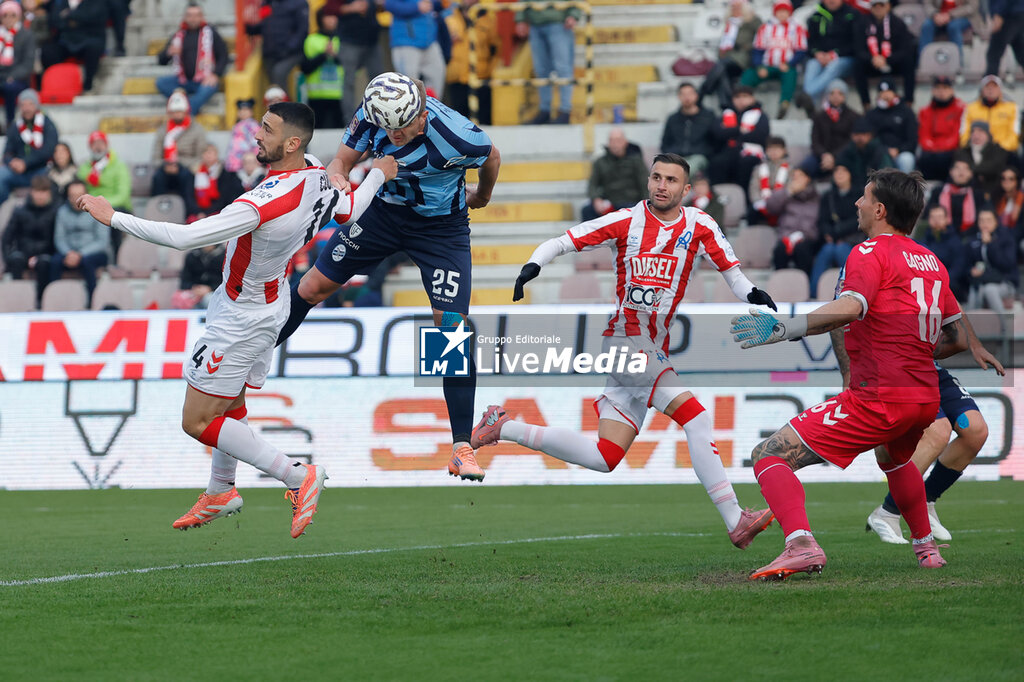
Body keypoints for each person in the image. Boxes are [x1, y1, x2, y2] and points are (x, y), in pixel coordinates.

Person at [77, 101, 398, 537]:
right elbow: (349, 209)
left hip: (242, 316)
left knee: (197, 421)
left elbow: (186, 237)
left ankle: (296, 474)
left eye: (265, 130)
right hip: (269, 302)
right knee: (231, 404)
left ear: (291, 142)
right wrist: (378, 173)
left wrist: (112, 216)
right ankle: (220, 490)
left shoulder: (263, 201)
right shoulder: (316, 174)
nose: (255, 135)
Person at [474, 152, 779, 550]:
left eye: (671, 180)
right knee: (698, 420)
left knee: (606, 456)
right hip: (625, 340)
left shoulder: (700, 226)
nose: (661, 185)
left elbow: (734, 276)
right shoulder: (627, 220)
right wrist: (533, 265)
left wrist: (753, 295)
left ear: (686, 190)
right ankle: (736, 519)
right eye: (656, 177)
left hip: (653, 347)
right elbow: (566, 240)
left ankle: (503, 426)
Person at [731, 168, 966, 580]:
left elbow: (851, 308)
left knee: (769, 454)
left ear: (879, 209)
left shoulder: (869, 252)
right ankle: (927, 549)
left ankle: (801, 544)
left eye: (863, 197)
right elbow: (958, 336)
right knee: (895, 459)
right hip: (925, 397)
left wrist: (785, 327)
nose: (856, 203)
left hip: (881, 397)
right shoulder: (933, 262)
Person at [275, 73, 502, 483]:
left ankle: (461, 445)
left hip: (441, 229)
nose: (395, 135)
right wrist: (341, 178)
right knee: (312, 286)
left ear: (422, 113)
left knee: (449, 329)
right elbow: (340, 161)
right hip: (381, 215)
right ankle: (247, 355)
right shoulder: (372, 114)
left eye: (403, 127)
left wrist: (482, 197)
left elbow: (492, 156)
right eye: (388, 128)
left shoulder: (458, 136)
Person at [866, 356, 1002, 544]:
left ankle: (927, 500)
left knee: (975, 431)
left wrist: (975, 345)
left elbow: (958, 336)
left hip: (932, 369)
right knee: (938, 432)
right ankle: (888, 511)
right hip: (903, 370)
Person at [156, 2, 229, 116]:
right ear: (185, 17)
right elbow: (161, 61)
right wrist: (168, 53)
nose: (193, 18)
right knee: (161, 83)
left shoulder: (211, 33)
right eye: (190, 15)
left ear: (202, 16)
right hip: (182, 81)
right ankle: (189, 106)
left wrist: (215, 74)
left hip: (203, 81)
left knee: (209, 87)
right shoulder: (178, 35)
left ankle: (185, 111)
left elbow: (224, 56)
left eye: (196, 15)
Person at [740, 0, 808, 118]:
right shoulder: (765, 27)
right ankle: (741, 99)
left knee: (790, 76)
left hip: (786, 66)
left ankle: (784, 104)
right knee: (749, 75)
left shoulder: (796, 27)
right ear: (775, 12)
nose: (782, 14)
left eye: (785, 11)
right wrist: (759, 66)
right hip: (767, 66)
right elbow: (758, 50)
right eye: (780, 11)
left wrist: (790, 63)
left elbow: (801, 50)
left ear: (789, 13)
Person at [516, 1, 580, 124]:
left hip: (559, 22)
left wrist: (574, 14)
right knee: (541, 69)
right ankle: (545, 111)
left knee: (563, 68)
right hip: (536, 24)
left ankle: (565, 111)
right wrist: (521, 18)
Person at [50, 179, 110, 307]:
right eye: (72, 196)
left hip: (93, 252)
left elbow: (102, 241)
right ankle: (53, 301)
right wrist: (69, 253)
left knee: (88, 262)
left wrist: (80, 254)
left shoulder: (98, 211)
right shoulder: (62, 212)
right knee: (54, 262)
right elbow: (59, 238)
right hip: (69, 252)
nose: (75, 199)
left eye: (78, 195)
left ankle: (92, 302)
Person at [323, 0, 385, 122]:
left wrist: (378, 5)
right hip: (349, 41)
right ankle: (350, 121)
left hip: (372, 40)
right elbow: (329, 9)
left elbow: (380, 7)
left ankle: (380, 117)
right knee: (349, 82)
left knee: (379, 82)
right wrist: (350, 8)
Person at [1, 174, 56, 305]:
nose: (40, 196)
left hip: (45, 254)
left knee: (44, 263)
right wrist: (8, 256)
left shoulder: (55, 211)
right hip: (23, 253)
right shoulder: (20, 211)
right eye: (38, 191)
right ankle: (18, 299)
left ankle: (41, 300)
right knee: (16, 259)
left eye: (44, 192)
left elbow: (55, 239)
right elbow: (7, 237)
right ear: (32, 192)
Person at [698, 0, 762, 110]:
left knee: (721, 65)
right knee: (722, 74)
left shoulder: (753, 20)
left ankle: (702, 92)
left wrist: (746, 46)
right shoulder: (730, 23)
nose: (735, 10)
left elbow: (761, 39)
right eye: (733, 7)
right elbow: (725, 42)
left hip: (743, 57)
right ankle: (727, 106)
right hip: (728, 58)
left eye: (739, 7)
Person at [854, 0, 917, 108]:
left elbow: (905, 49)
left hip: (892, 63)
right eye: (875, 6)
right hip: (872, 64)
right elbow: (858, 48)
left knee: (909, 62)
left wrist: (887, 59)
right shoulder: (863, 23)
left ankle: (908, 102)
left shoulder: (897, 23)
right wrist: (872, 59)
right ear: (871, 7)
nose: (878, 9)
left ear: (888, 6)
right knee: (857, 65)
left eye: (881, 5)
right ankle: (866, 104)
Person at [445, 0, 499, 125]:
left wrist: (489, 71)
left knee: (484, 123)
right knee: (459, 125)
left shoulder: (488, 20)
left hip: (481, 78)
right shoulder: (450, 18)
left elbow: (496, 48)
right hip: (457, 78)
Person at [0, 89, 58, 206]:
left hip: (41, 169)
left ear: (36, 105)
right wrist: (13, 162)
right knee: (2, 175)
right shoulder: (15, 126)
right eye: (23, 105)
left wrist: (25, 163)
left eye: (30, 104)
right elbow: (7, 152)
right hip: (18, 172)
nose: (27, 108)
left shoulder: (47, 124)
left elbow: (48, 150)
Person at [810, 164, 860, 295]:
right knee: (827, 250)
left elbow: (857, 220)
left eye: (843, 171)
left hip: (853, 240)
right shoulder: (828, 196)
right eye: (836, 171)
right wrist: (827, 233)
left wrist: (837, 232)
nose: (839, 174)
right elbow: (823, 220)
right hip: (831, 239)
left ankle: (855, 291)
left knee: (841, 250)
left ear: (850, 174)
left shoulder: (859, 194)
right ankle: (814, 294)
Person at [708, 86, 768, 191]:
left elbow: (760, 136)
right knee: (717, 162)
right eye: (737, 97)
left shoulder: (760, 115)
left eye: (745, 96)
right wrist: (740, 129)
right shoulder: (726, 114)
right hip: (727, 153)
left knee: (747, 163)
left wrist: (730, 132)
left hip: (750, 154)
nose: (741, 100)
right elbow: (717, 133)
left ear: (752, 98)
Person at [386, 0, 448, 100]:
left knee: (437, 76)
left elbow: (433, 5)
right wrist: (416, 7)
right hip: (406, 42)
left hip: (430, 41)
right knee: (408, 87)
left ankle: (430, 111)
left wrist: (440, 3)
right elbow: (389, 4)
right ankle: (412, 114)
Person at [582, 128, 648, 221]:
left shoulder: (636, 161)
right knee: (587, 210)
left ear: (625, 142)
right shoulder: (600, 162)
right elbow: (592, 184)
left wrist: (645, 205)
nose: (615, 144)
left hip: (631, 202)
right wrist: (596, 199)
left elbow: (645, 184)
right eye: (611, 140)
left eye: (618, 140)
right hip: (610, 201)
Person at [246, 0, 309, 99]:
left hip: (292, 53)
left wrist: (289, 47)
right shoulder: (267, 3)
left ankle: (287, 112)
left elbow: (303, 29)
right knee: (274, 87)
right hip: (270, 53)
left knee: (279, 75)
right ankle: (280, 111)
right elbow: (265, 25)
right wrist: (251, 29)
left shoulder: (299, 3)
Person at [802, 0, 859, 104]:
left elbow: (856, 43)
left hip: (845, 58)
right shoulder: (816, 16)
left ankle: (807, 95)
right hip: (821, 57)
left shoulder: (852, 14)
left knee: (833, 66)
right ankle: (810, 107)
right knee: (812, 65)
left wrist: (835, 54)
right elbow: (810, 42)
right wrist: (817, 53)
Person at [764, 166, 819, 275]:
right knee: (780, 250)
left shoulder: (817, 197)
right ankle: (779, 284)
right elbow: (770, 207)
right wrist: (788, 192)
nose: (796, 179)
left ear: (807, 178)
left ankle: (805, 284)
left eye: (800, 176)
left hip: (808, 238)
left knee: (802, 249)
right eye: (794, 177)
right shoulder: (787, 195)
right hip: (787, 236)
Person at [41, 0, 106, 92]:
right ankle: (56, 84)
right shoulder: (61, 2)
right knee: (48, 51)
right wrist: (77, 19)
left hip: (88, 38)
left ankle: (88, 85)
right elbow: (54, 20)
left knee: (93, 48)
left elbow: (94, 17)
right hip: (66, 40)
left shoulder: (95, 2)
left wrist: (68, 14)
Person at [964, 208, 1018, 311]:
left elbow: (1007, 264)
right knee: (975, 288)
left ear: (996, 222)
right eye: (982, 220)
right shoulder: (973, 241)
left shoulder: (1006, 238)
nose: (985, 224)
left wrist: (991, 245)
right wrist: (971, 270)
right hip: (982, 280)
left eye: (989, 220)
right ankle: (971, 326)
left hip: (1005, 281)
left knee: (989, 290)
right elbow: (967, 264)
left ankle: (1004, 327)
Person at [804, 79, 860, 178]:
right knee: (805, 168)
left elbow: (851, 141)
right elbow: (815, 141)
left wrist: (834, 156)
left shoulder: (853, 117)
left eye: (840, 93)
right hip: (821, 156)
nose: (835, 96)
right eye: (832, 93)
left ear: (845, 96)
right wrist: (824, 155)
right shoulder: (819, 116)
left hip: (844, 156)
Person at [660, 83, 716, 177]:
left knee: (685, 171)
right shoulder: (673, 118)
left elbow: (714, 140)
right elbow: (665, 142)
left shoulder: (708, 116)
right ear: (679, 96)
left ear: (696, 95)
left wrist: (706, 152)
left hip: (699, 156)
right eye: (683, 94)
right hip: (676, 157)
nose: (687, 97)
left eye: (690, 93)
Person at [301, 7, 344, 130]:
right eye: (328, 16)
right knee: (316, 132)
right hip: (316, 96)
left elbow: (353, 67)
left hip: (340, 97)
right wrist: (324, 55)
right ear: (320, 19)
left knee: (339, 133)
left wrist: (335, 56)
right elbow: (305, 67)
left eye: (334, 16)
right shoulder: (311, 40)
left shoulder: (344, 39)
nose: (332, 20)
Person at [918, 76, 966, 181]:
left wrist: (941, 148)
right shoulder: (925, 111)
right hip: (931, 149)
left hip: (950, 150)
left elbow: (957, 134)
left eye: (945, 88)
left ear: (951, 90)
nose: (941, 92)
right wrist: (933, 147)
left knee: (947, 158)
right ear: (933, 91)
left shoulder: (960, 109)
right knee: (924, 157)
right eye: (938, 88)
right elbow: (924, 135)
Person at [959, 75, 1021, 157]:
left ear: (1000, 90)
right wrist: (973, 148)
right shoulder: (970, 108)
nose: (990, 89)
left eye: (994, 86)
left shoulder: (1012, 108)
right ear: (981, 90)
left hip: (1003, 152)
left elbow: (1014, 135)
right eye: (987, 86)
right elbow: (964, 134)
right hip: (976, 152)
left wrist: (998, 149)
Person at [151, 90, 208, 175]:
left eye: (180, 111)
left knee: (186, 176)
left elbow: (200, 157)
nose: (177, 114)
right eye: (174, 112)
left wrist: (179, 163)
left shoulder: (197, 129)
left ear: (186, 112)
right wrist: (166, 164)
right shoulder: (163, 130)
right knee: (158, 178)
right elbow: (155, 158)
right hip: (166, 167)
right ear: (169, 113)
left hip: (187, 167)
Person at [865, 81, 917, 173]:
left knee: (907, 159)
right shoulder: (872, 114)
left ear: (894, 93)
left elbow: (912, 140)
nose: (886, 95)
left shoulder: (906, 112)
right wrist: (884, 150)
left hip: (901, 152)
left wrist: (898, 150)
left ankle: (904, 186)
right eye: (882, 92)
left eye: (888, 91)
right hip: (879, 152)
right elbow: (870, 138)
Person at [916, 204, 966, 298]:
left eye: (939, 217)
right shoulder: (923, 241)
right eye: (933, 217)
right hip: (926, 282)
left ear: (947, 219)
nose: (936, 220)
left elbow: (958, 267)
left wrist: (943, 280)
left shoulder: (955, 241)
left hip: (949, 283)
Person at [953, 121, 1011, 201]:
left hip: (993, 193)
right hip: (967, 193)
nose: (976, 136)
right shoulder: (963, 152)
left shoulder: (997, 150)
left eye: (980, 132)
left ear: (988, 135)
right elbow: (958, 169)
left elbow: (995, 167)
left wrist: (971, 169)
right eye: (973, 132)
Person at [78, 131, 132, 215]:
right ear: (90, 147)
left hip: (116, 207)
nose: (98, 147)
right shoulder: (85, 167)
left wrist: (100, 205)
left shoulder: (119, 165)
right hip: (91, 208)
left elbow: (122, 196)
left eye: (101, 143)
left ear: (107, 145)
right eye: (94, 143)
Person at [0, 1, 36, 126]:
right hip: (1, 76)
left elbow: (28, 63)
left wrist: (12, 76)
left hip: (18, 78)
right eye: (5, 15)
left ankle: (10, 123)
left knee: (10, 88)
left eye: (12, 15)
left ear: (19, 16)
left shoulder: (26, 35)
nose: (9, 19)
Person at [928, 159, 985, 234]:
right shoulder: (938, 191)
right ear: (951, 172)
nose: (961, 172)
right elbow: (927, 215)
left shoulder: (977, 195)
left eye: (965, 169)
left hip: (970, 236)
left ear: (971, 174)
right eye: (957, 168)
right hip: (941, 233)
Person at [836, 116, 893, 189]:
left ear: (870, 136)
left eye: (863, 134)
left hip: (875, 191)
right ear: (852, 136)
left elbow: (886, 175)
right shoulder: (847, 152)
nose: (859, 138)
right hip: (852, 192)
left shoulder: (879, 151)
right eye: (856, 135)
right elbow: (838, 172)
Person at [919, 0, 984, 62]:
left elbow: (972, 7)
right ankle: (923, 63)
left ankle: (957, 64)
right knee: (926, 26)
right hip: (938, 16)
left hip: (962, 16)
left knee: (953, 27)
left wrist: (950, 15)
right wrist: (935, 15)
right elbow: (927, 4)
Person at [749, 136, 790, 222]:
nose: (774, 152)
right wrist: (758, 202)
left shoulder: (790, 169)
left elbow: (789, 188)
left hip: (781, 203)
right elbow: (754, 187)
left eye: (777, 149)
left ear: (784, 150)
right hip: (763, 202)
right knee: (752, 213)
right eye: (770, 149)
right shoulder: (759, 168)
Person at [174, 243, 225, 309]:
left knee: (209, 300)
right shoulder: (192, 256)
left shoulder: (224, 256)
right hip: (194, 292)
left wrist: (210, 289)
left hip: (215, 292)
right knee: (180, 299)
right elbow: (184, 281)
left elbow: (225, 282)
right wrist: (194, 288)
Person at [986, 0, 1024, 77]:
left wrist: (998, 13)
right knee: (1021, 53)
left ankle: (990, 86)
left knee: (993, 54)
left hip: (1007, 15)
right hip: (1018, 11)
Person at [225, 99, 261, 173]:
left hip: (246, 163)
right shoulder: (237, 125)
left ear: (251, 112)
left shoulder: (253, 125)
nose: (243, 112)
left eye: (246, 110)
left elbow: (255, 144)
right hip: (234, 162)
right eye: (241, 110)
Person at [995, 167, 1023, 234]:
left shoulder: (1021, 198)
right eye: (1003, 178)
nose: (1007, 181)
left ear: (1017, 181)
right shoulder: (996, 197)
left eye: (1011, 179)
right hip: (998, 235)